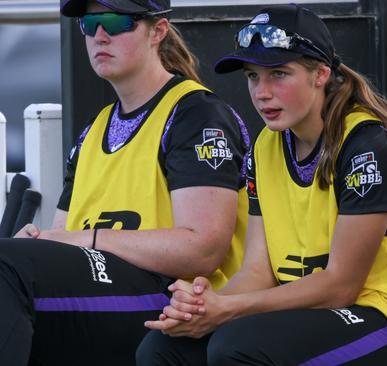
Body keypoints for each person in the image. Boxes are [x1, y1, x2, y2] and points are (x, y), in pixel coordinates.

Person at [138, 4, 387, 366]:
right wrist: (204, 304)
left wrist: (228, 308)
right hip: (312, 309)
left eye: (278, 74)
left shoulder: (368, 144)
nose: (262, 92)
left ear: (320, 74)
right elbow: (258, 270)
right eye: (253, 76)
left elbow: (341, 286)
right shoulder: (266, 145)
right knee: (163, 348)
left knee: (236, 346)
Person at [0, 0, 249, 365]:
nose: (100, 35)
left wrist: (85, 239)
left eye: (116, 22)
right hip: (102, 291)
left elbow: (203, 250)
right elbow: (61, 234)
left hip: (173, 299)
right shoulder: (94, 130)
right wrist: (38, 243)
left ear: (158, 31)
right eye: (89, 23)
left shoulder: (195, 114)